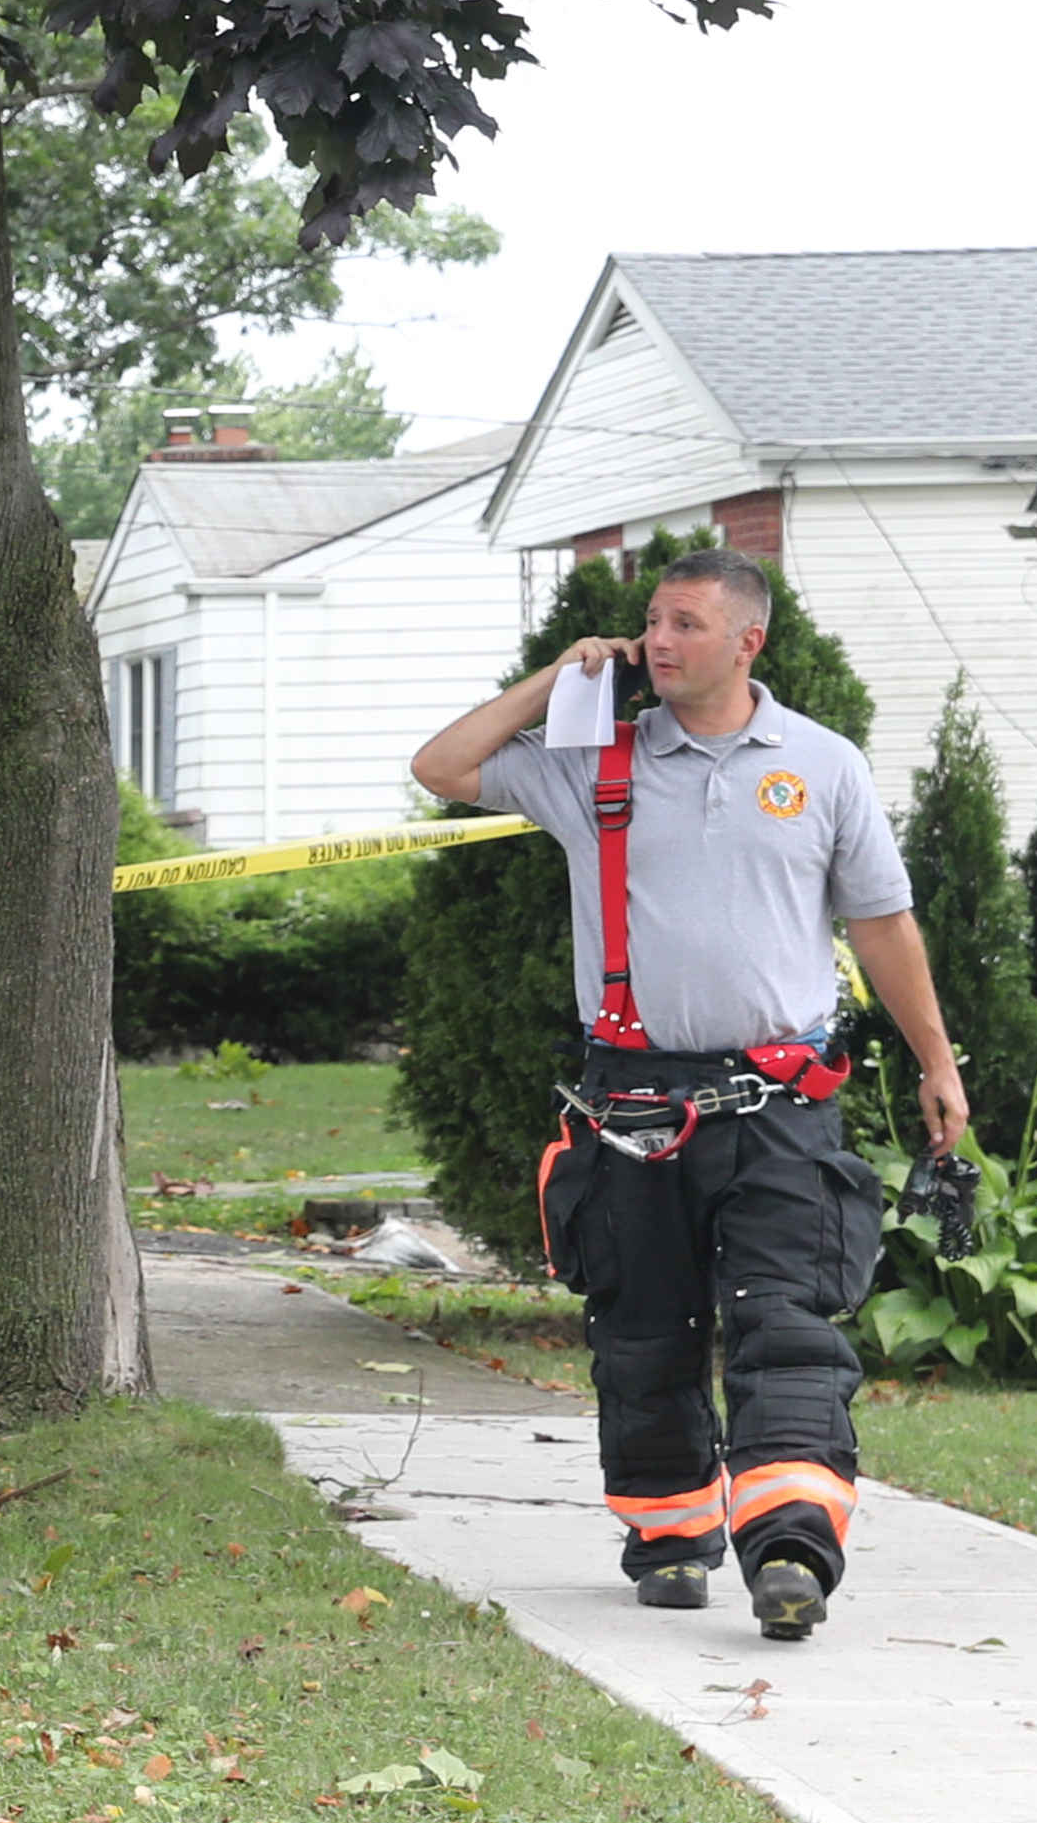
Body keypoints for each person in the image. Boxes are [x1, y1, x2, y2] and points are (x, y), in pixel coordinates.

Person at [409, 551, 969, 1640]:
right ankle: (669, 1536)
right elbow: (442, 765)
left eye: (686, 625)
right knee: (643, 1330)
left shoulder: (822, 765)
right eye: (652, 623)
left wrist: (936, 1060)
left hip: (779, 1107)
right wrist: (552, 678)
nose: (659, 641)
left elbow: (881, 924)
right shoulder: (591, 762)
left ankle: (793, 1545)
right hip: (631, 1111)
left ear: (748, 640)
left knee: (786, 1324)